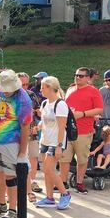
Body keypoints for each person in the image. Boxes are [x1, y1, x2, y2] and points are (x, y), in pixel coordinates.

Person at [0, 70, 32, 218]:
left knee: (11, 175)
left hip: (12, 141)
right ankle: (1, 204)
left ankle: (13, 209)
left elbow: (25, 127)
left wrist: (22, 152)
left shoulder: (23, 99)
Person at [59, 67, 104, 194]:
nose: (78, 77)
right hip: (67, 130)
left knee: (82, 159)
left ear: (88, 78)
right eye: (76, 75)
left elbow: (100, 109)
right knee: (64, 159)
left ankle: (79, 183)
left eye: (81, 76)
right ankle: (63, 183)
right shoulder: (70, 89)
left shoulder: (93, 91)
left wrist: (82, 114)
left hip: (84, 131)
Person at [33, 76, 72, 210]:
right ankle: (49, 198)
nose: (41, 90)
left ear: (50, 87)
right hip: (45, 139)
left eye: (43, 87)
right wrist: (38, 126)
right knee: (47, 170)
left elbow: (62, 127)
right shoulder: (45, 103)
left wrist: (59, 146)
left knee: (50, 169)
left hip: (55, 141)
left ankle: (65, 194)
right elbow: (44, 121)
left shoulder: (60, 104)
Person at [18, 72, 43, 201]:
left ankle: (31, 180)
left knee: (33, 157)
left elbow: (38, 110)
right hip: (18, 133)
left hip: (32, 130)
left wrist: (39, 112)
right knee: (22, 160)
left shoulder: (31, 94)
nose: (25, 87)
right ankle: (24, 187)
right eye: (23, 84)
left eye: (27, 84)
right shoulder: (13, 96)